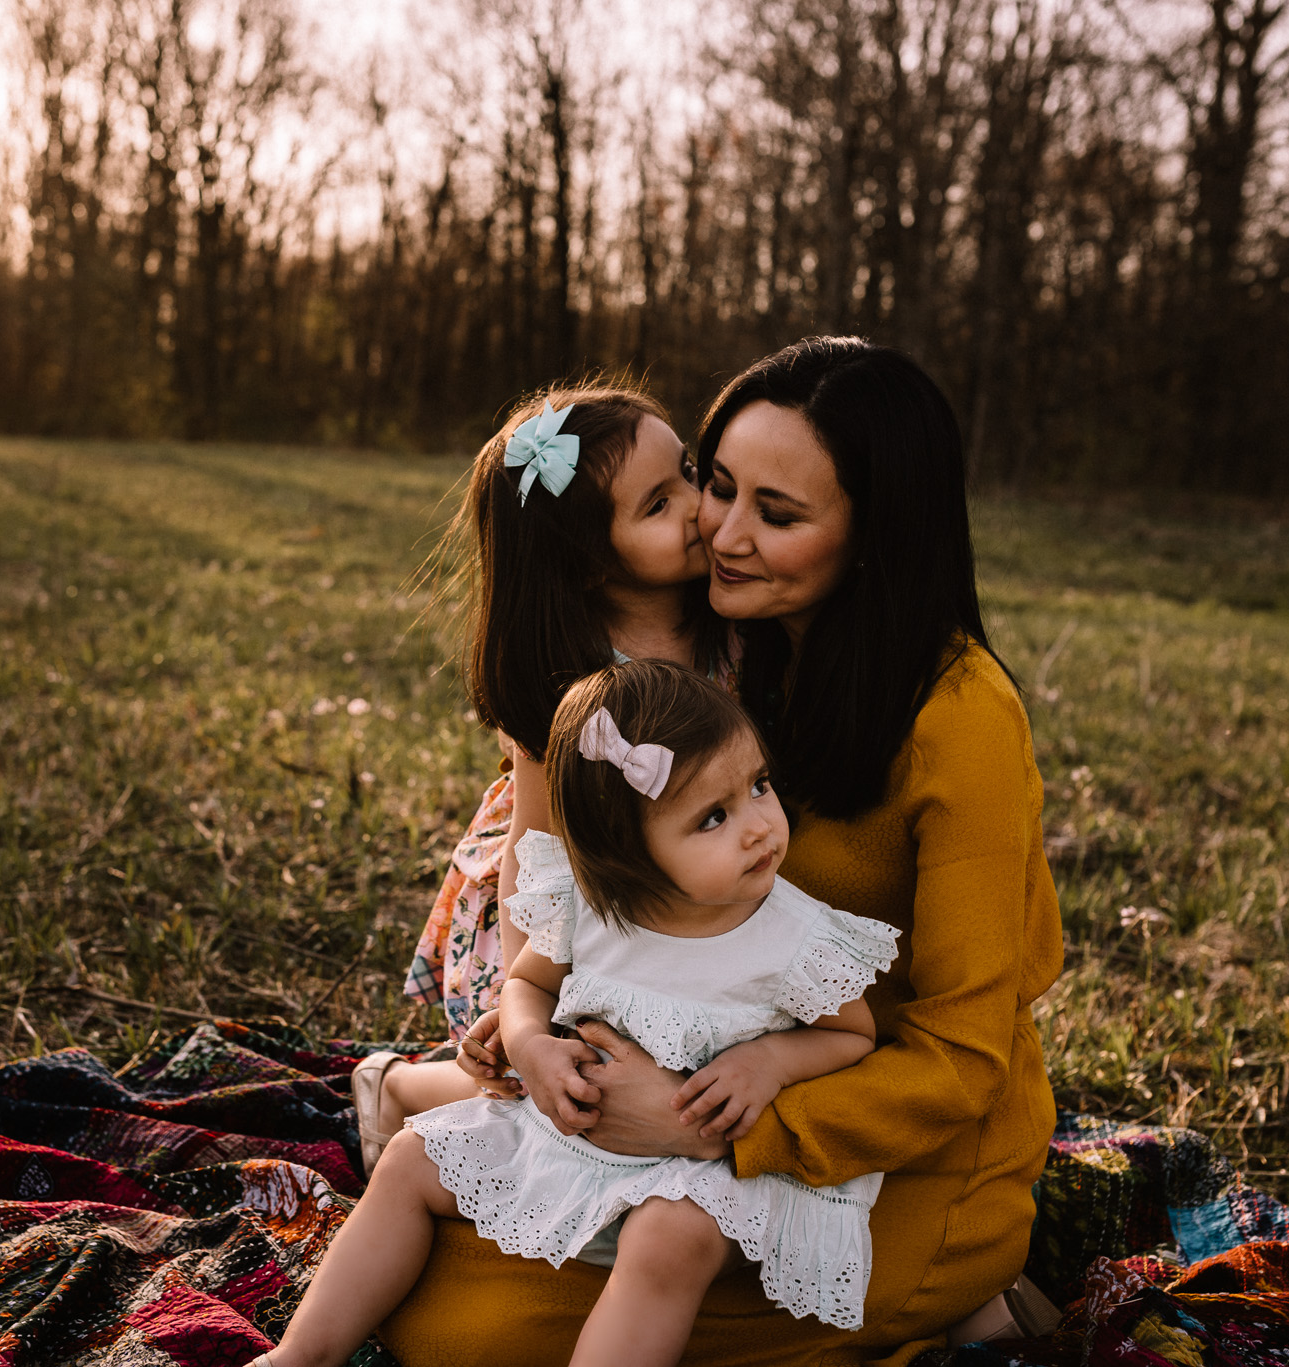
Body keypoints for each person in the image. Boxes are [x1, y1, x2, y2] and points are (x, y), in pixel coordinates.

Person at [376, 337, 1065, 1365]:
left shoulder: (958, 715)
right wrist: (552, 1032)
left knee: (470, 1336)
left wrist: (709, 1123)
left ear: (874, 531)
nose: (720, 531)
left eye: (774, 514)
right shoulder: (737, 656)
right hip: (697, 1084)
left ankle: (963, 1281)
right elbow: (563, 883)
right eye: (720, 485)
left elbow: (960, 1055)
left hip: (869, 1128)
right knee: (432, 1316)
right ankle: (405, 1089)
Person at [250, 662, 899, 1367]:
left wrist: (768, 1061)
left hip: (704, 1175)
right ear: (624, 852)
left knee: (666, 1238)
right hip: (568, 1142)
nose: (758, 827)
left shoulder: (793, 936)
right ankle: (302, 1354)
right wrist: (529, 1044)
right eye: (713, 816)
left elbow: (850, 1033)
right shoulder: (589, 908)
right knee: (410, 1157)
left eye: (758, 786)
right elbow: (526, 984)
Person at [358, 382, 729, 1167]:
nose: (699, 504)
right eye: (659, 505)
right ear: (590, 563)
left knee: (674, 1072)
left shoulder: (731, 623)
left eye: (689, 473)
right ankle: (401, 1088)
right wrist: (529, 1006)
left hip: (676, 889)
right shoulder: (574, 678)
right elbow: (536, 849)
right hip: (561, 908)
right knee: (574, 1081)